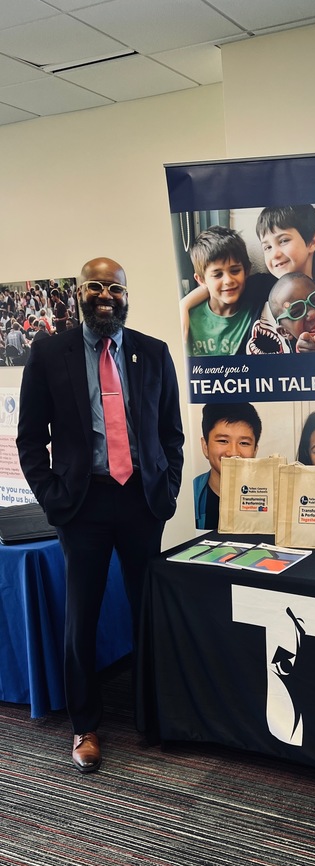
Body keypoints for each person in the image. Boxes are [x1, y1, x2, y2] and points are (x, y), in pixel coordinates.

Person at [17, 256, 184, 775]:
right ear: (79, 293)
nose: (105, 293)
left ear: (127, 295)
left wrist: (168, 487)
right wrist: (53, 498)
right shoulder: (49, 354)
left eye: (115, 286)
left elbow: (171, 434)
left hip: (141, 501)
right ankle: (84, 726)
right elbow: (29, 441)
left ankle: (148, 715)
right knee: (80, 619)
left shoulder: (153, 354)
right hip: (82, 503)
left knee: (146, 613)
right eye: (95, 285)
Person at [186, 226, 272, 356]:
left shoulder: (255, 310)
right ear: (201, 280)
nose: (228, 280)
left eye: (235, 271)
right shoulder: (189, 319)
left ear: (247, 271)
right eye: (217, 274)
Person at [194, 402, 262, 529]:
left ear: (255, 450)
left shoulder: (272, 495)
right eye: (223, 441)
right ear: (205, 446)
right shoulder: (189, 493)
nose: (233, 453)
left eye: (244, 443)